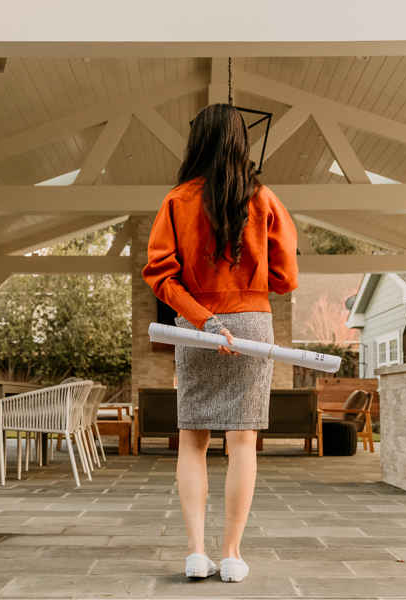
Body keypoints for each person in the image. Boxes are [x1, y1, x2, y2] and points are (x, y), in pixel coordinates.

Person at [143, 103, 298, 583]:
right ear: (241, 142)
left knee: (192, 439)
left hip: (197, 326)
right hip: (252, 323)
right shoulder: (265, 198)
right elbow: (286, 277)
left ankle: (195, 553)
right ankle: (231, 554)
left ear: (198, 141)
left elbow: (159, 275)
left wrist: (204, 320)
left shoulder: (177, 200)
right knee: (243, 440)